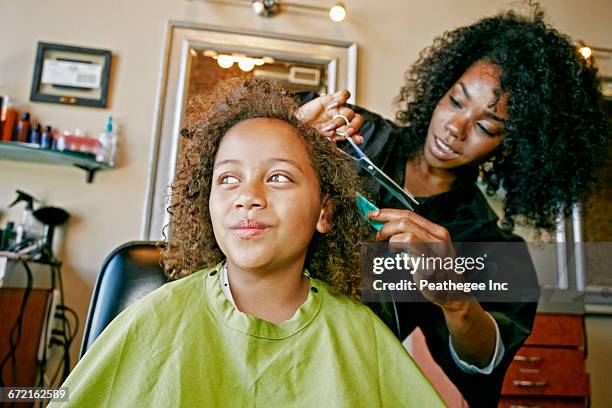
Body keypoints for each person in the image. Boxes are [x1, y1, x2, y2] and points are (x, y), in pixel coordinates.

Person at [49, 78, 445, 407]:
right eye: (228, 179)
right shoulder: (152, 319)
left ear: (325, 211)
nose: (248, 196)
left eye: (278, 177)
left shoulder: (361, 336)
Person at [297, 5, 610, 407]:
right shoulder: (352, 134)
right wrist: (291, 128)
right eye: (456, 101)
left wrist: (456, 297)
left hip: (339, 381)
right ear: (441, 88)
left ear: (513, 146)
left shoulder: (486, 242)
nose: (455, 128)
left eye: (485, 127)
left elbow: (484, 362)